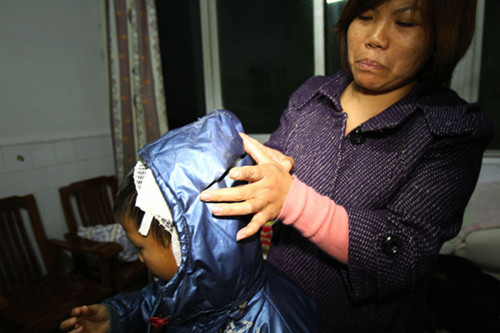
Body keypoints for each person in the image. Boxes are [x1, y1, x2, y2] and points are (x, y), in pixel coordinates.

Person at [199, 0, 493, 331]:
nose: (376, 38)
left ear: (441, 38)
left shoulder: (452, 129)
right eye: (365, 17)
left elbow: (404, 254)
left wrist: (293, 200)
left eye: (405, 23)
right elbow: (271, 169)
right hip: (277, 311)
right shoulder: (311, 97)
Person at [60, 110, 321, 333]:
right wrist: (116, 317)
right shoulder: (188, 287)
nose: (139, 259)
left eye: (140, 248)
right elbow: (154, 305)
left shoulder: (274, 323)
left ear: (187, 245)